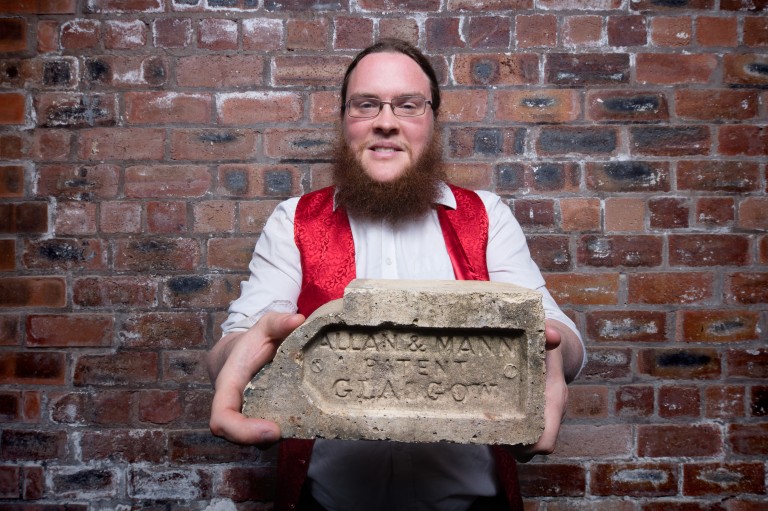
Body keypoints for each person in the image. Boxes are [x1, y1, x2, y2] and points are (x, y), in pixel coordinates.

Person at [206, 38, 585, 511]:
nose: (386, 122)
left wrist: (549, 359)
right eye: (367, 105)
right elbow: (238, 341)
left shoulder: (486, 217)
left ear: (433, 120)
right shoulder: (294, 221)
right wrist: (237, 358)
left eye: (408, 105)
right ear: (345, 120)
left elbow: (559, 336)